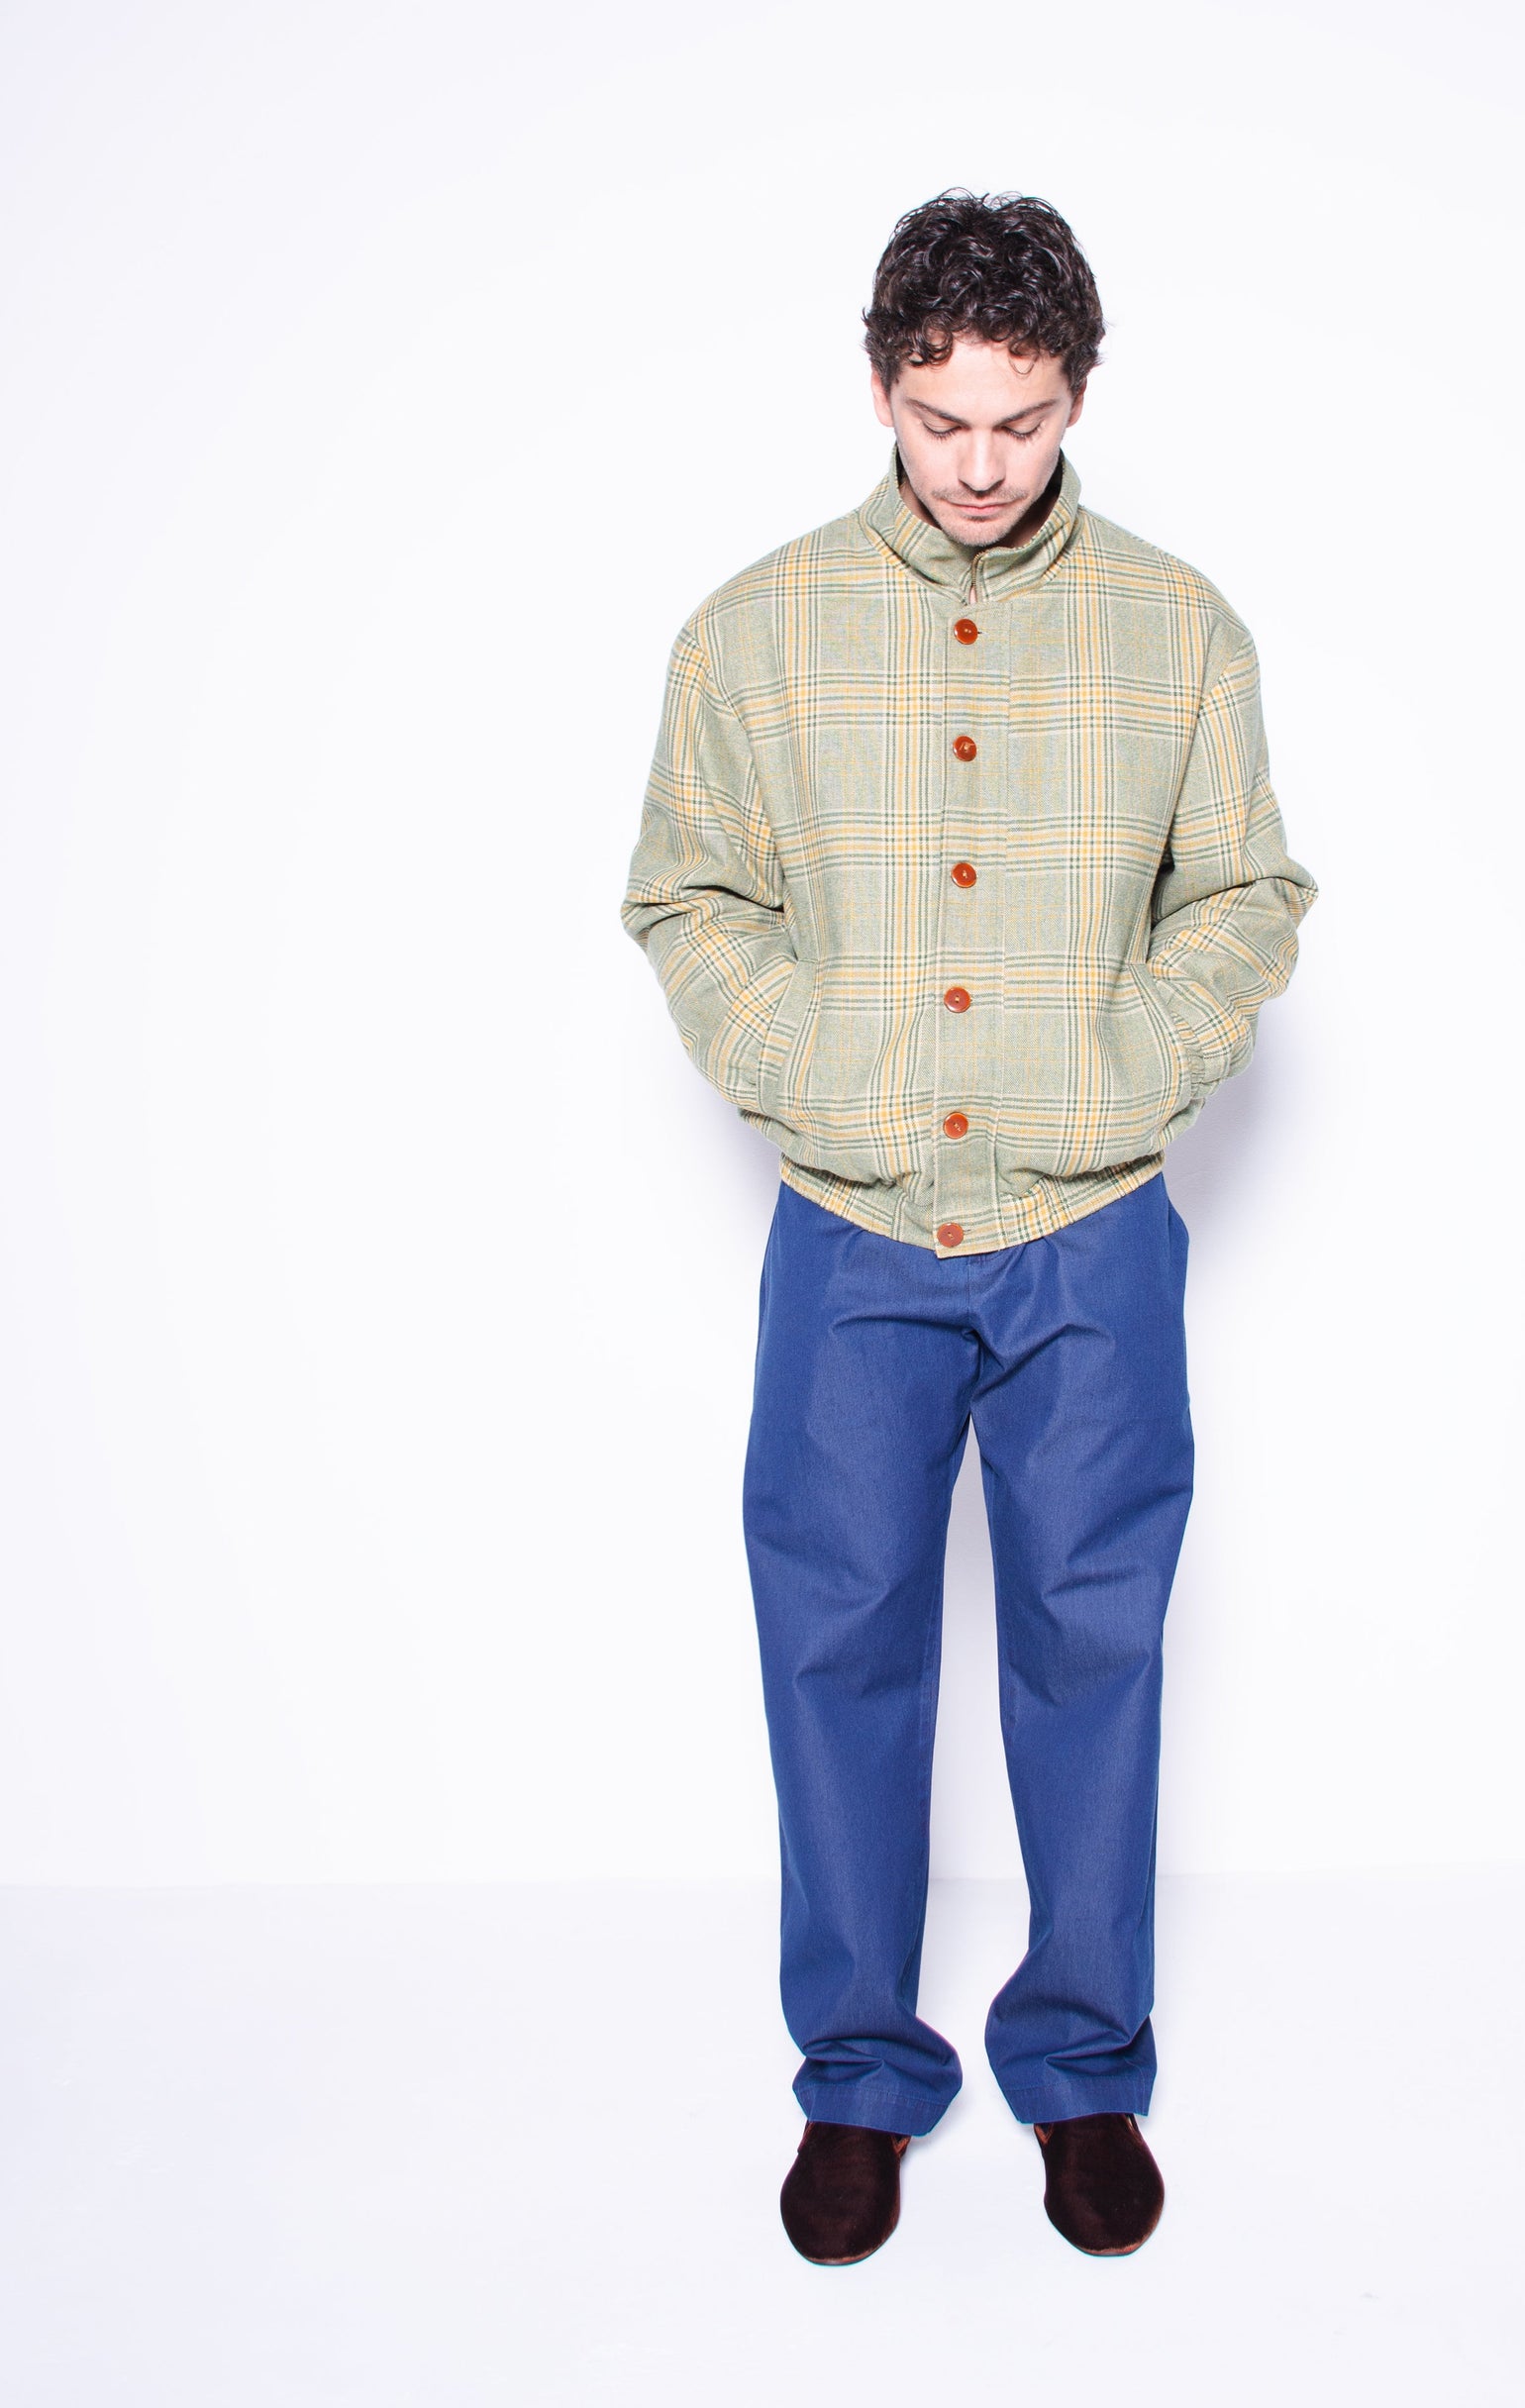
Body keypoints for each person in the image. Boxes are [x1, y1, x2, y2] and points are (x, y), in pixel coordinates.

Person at [621, 189, 1316, 2263]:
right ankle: (857, 2077)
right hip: (849, 1232)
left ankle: (1084, 2065)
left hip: (1092, 1231)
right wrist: (805, 1067)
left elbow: (1248, 894)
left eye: (1018, 419)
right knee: (834, 1648)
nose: (980, 464)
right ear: (881, 390)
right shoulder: (750, 629)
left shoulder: (1178, 626)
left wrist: (1134, 1060)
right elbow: (685, 897)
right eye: (940, 420)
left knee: (1092, 1646)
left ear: (1075, 392)